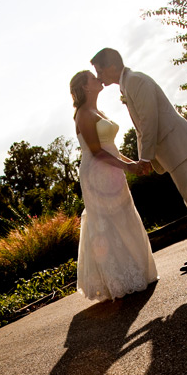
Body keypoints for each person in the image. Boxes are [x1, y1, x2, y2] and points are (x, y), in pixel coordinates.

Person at [90, 48, 187, 272]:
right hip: (174, 149)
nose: (99, 76)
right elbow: (144, 126)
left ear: (112, 66)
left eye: (99, 70)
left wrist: (145, 159)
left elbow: (149, 122)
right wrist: (145, 158)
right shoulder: (129, 83)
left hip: (178, 146)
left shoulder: (135, 81)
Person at [69, 69, 158, 302]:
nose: (98, 78)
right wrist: (127, 167)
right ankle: (118, 280)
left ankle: (136, 271)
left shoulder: (98, 111)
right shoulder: (83, 114)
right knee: (107, 222)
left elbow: (112, 149)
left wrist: (134, 163)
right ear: (85, 86)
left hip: (113, 170)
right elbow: (97, 152)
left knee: (124, 215)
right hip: (97, 174)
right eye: (92, 77)